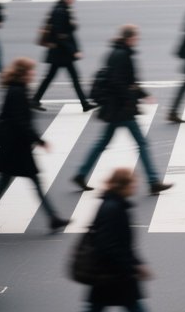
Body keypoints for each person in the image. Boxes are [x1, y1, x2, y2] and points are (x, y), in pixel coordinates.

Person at [49, 167, 185, 312]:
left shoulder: (113, 204)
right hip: (113, 276)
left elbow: (118, 243)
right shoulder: (113, 208)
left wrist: (135, 263)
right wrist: (132, 266)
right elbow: (110, 245)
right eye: (133, 183)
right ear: (123, 186)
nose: (136, 186)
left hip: (110, 274)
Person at [73, 25, 172, 195]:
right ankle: (153, 181)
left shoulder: (117, 52)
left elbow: (125, 81)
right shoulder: (122, 55)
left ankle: (81, 174)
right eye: (136, 37)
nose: (137, 40)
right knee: (141, 143)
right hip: (122, 109)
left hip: (116, 108)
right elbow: (119, 82)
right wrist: (130, 99)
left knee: (102, 143)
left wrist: (143, 94)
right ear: (130, 38)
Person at [0, 57, 69, 234]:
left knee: (7, 181)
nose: (34, 74)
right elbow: (21, 122)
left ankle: (53, 218)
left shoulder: (17, 89)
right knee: (30, 180)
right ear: (23, 73)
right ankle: (53, 218)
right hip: (16, 147)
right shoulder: (17, 92)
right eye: (31, 71)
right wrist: (39, 140)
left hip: (14, 145)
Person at [32, 0, 95, 112]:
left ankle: (35, 100)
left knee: (52, 77)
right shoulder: (60, 11)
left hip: (60, 52)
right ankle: (85, 104)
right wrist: (73, 51)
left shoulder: (63, 9)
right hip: (61, 52)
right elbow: (61, 35)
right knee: (72, 78)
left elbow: (66, 32)